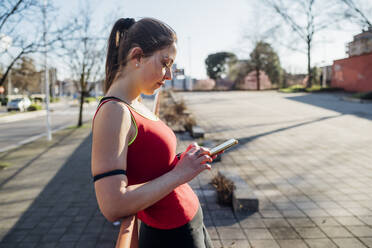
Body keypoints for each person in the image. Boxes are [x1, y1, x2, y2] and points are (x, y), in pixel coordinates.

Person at [91, 17, 216, 248]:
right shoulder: (114, 111)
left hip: (190, 221)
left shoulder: (135, 103)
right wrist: (181, 174)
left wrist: (184, 162)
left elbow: (151, 167)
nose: (168, 75)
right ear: (137, 56)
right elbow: (113, 205)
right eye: (165, 63)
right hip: (171, 236)